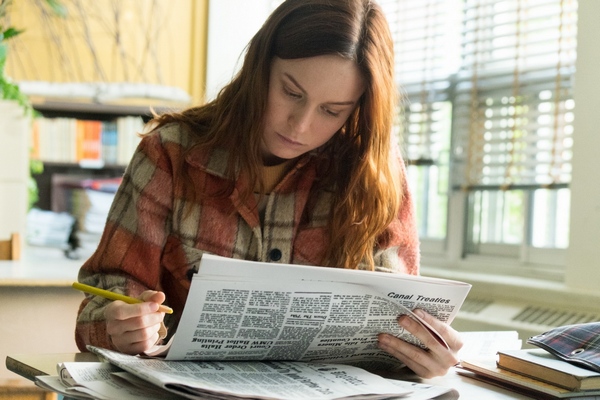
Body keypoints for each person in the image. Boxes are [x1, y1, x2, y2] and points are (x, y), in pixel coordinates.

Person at [75, 0, 462, 378]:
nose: (300, 125)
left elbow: (399, 327)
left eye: (331, 110)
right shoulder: (171, 154)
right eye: (291, 92)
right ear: (259, 67)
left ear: (358, 108)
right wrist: (118, 327)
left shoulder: (373, 174)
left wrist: (424, 360)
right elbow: (101, 301)